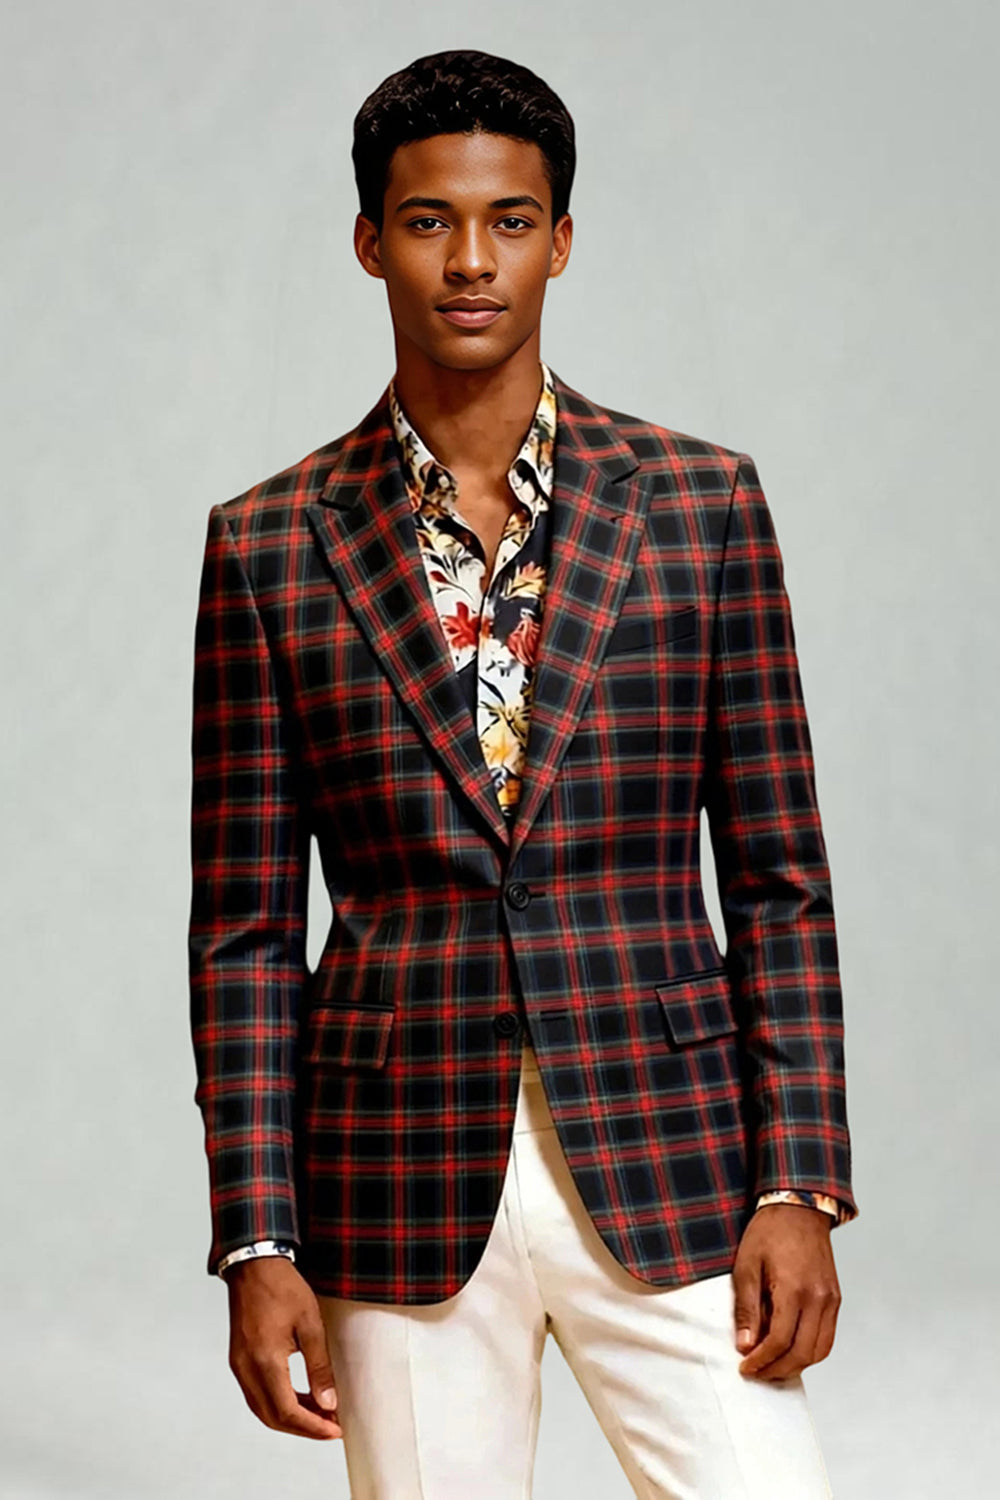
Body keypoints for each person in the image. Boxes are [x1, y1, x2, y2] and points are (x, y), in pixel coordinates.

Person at [188, 48, 858, 1500]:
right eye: (429, 221)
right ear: (369, 241)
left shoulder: (700, 506)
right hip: (396, 1173)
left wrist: (800, 1178)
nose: (470, 262)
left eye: (508, 221)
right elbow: (243, 933)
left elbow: (781, 877)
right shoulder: (269, 544)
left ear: (560, 240)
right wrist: (258, 1237)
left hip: (670, 1148)